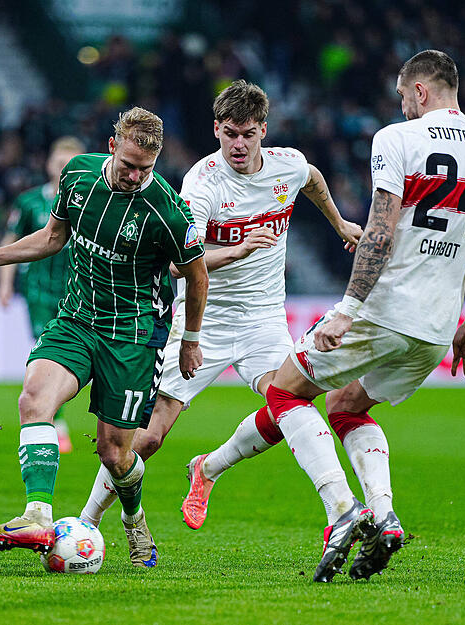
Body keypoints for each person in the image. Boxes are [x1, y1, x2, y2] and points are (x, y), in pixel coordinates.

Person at [247, 50, 465, 581]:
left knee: (282, 391)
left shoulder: (397, 140)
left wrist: (347, 311)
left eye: (403, 97)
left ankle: (344, 513)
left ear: (420, 91)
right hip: (438, 327)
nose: (401, 107)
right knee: (348, 406)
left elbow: (378, 231)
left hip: (384, 311)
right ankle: (385, 513)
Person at [78, 80, 363, 533]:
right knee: (147, 439)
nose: (239, 144)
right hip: (201, 321)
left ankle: (221, 472)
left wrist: (340, 222)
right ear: (216, 130)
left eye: (248, 134)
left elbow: (312, 180)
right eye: (230, 133)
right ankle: (88, 522)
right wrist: (238, 249)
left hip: (264, 320)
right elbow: (176, 266)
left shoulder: (287, 166)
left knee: (290, 403)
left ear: (263, 131)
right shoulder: (202, 184)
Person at [0, 107, 208, 567]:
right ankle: (37, 515)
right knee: (34, 399)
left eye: (145, 168)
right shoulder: (78, 176)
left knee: (114, 451)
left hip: (132, 335)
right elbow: (52, 237)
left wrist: (190, 340)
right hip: (77, 319)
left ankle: (134, 518)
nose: (134, 176)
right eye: (127, 165)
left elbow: (197, 276)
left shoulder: (167, 210)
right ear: (111, 147)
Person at [0, 137, 87, 454]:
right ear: (49, 165)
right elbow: (12, 239)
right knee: (47, 354)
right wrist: (4, 283)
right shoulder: (29, 201)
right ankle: (56, 423)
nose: (64, 169)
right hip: (37, 292)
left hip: (77, 295)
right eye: (59, 163)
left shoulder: (92, 201)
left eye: (71, 163)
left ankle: (55, 415)